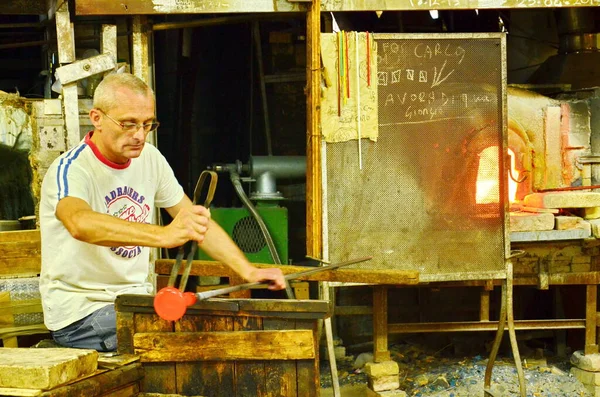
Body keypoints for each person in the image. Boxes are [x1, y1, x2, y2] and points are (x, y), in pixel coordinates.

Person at [39, 73, 286, 352]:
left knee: (217, 329)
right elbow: (79, 223)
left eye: (148, 124)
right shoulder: (71, 169)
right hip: (81, 313)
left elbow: (195, 221)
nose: (140, 135)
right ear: (96, 117)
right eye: (128, 124)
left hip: (134, 302)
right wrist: (164, 234)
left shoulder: (150, 158)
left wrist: (248, 270)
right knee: (185, 339)